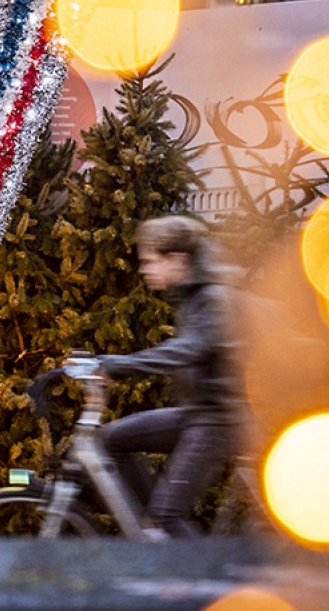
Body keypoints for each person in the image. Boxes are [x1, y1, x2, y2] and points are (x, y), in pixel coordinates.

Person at [74, 214, 239, 538]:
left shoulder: (212, 297)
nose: (143, 269)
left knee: (167, 516)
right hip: (199, 413)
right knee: (109, 439)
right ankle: (155, 530)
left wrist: (116, 365)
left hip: (223, 419)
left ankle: (195, 573)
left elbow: (187, 350)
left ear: (177, 260)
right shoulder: (192, 296)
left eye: (150, 261)